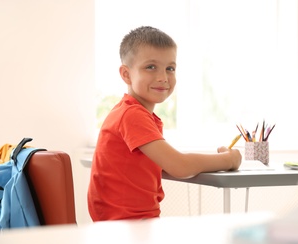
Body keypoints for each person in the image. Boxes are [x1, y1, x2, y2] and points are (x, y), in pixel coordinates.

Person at [87, 26, 242, 221]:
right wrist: (229, 160)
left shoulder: (135, 113)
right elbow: (180, 166)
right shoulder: (131, 114)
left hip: (131, 223)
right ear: (126, 74)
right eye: (151, 67)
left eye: (170, 68)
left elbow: (167, 164)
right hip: (127, 226)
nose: (163, 77)